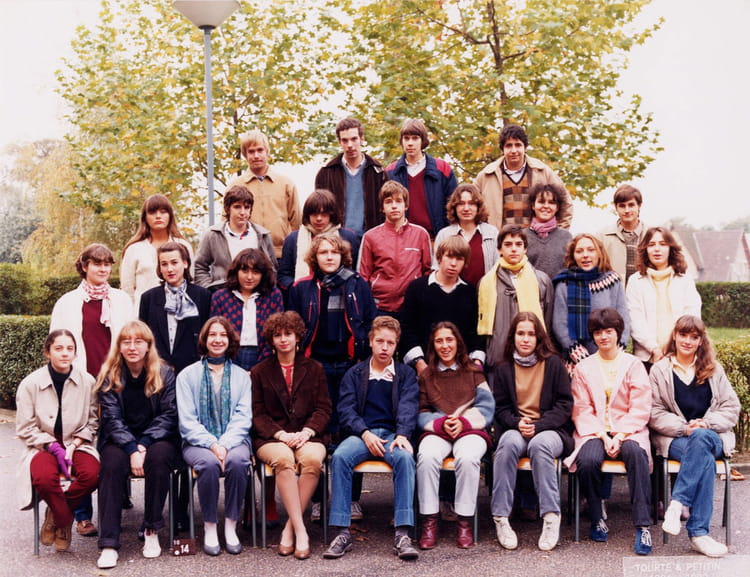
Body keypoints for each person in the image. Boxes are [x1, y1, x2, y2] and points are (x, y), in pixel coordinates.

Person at [289, 232, 376, 521]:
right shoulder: (302, 288)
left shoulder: (357, 284)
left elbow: (370, 321)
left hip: (351, 364)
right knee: (316, 430)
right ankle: (316, 500)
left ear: (343, 256)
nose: (329, 256)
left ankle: (351, 499)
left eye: (334, 252)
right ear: (315, 257)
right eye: (323, 252)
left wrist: (363, 351)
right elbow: (294, 326)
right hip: (315, 366)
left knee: (351, 430)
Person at [50, 243, 133, 536]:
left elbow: (132, 339)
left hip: (115, 382)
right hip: (80, 383)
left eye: (107, 263)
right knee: (81, 444)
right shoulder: (67, 302)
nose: (103, 269)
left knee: (114, 442)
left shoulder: (122, 300)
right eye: (97, 263)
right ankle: (82, 515)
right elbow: (57, 345)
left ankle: (117, 501)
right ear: (84, 266)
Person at [323, 316, 420, 561]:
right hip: (362, 434)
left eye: (390, 343)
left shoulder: (405, 374)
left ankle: (403, 532)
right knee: (341, 457)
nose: (384, 347)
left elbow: (409, 406)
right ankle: (342, 532)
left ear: (396, 345)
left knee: (405, 458)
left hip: (392, 435)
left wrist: (402, 434)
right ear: (370, 342)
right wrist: (364, 433)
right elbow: (346, 409)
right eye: (380, 341)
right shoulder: (355, 373)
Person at [563, 308, 653, 555]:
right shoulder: (583, 367)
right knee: (588, 460)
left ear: (618, 333)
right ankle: (596, 517)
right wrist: (603, 436)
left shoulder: (633, 365)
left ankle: (643, 525)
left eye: (609, 331)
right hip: (595, 432)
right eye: (598, 332)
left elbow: (640, 406)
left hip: (629, 431)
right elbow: (581, 408)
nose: (603, 337)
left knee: (636, 455)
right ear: (593, 335)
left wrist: (620, 436)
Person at [649, 315, 739, 558]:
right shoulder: (660, 370)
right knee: (704, 459)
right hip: (677, 439)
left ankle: (677, 502)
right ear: (675, 336)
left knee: (701, 439)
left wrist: (706, 423)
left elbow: (732, 407)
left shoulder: (713, 369)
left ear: (701, 341)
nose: (687, 341)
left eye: (694, 337)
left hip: (713, 435)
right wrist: (684, 428)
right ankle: (699, 534)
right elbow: (654, 412)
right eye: (683, 335)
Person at [94, 321, 179, 569]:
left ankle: (151, 529)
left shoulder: (165, 373)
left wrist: (143, 444)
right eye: (126, 341)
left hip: (155, 438)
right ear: (119, 347)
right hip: (118, 439)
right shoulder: (109, 375)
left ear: (148, 346)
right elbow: (111, 419)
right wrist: (131, 448)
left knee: (160, 459)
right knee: (111, 465)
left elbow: (169, 415)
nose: (132, 347)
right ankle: (109, 543)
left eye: (138, 341)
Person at [251, 311, 332, 560]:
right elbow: (257, 413)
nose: (283, 339)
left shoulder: (315, 369)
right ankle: (301, 531)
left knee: (313, 460)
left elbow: (324, 408)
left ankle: (289, 529)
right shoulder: (259, 371)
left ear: (298, 337)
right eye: (278, 335)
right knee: (283, 460)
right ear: (271, 340)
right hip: (271, 438)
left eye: (288, 334)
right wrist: (280, 434)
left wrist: (307, 431)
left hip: (309, 435)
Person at [491, 312, 573, 552]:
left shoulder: (554, 364)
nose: (525, 339)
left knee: (540, 445)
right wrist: (517, 423)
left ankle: (550, 517)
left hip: (550, 430)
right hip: (517, 428)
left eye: (531, 334)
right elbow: (500, 408)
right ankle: (501, 518)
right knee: (506, 444)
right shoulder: (504, 368)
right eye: (520, 334)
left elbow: (564, 405)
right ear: (513, 337)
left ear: (539, 338)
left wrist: (539, 426)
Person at [15, 330, 99, 553]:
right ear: (47, 352)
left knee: (92, 474)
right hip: (42, 445)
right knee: (43, 479)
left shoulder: (88, 381)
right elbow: (24, 427)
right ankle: (65, 521)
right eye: (58, 348)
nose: (64, 354)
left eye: (69, 349)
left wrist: (75, 444)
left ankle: (55, 515)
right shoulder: (30, 384)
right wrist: (51, 445)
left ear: (75, 353)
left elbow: (93, 422)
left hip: (78, 443)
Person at [176, 316, 253, 556]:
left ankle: (231, 525)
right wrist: (212, 444)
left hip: (235, 440)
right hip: (197, 442)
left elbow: (243, 417)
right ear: (204, 339)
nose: (217, 339)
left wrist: (225, 444)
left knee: (238, 461)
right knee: (208, 464)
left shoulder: (242, 376)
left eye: (223, 335)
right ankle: (210, 525)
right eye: (212, 335)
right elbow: (187, 421)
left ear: (230, 340)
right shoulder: (186, 376)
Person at [416, 322, 494, 550]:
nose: (445, 346)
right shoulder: (427, 375)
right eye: (439, 341)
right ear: (433, 345)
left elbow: (487, 407)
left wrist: (464, 422)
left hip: (470, 429)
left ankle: (464, 521)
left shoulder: (473, 371)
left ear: (458, 342)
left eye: (449, 340)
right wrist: (439, 423)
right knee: (427, 456)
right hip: (438, 429)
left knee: (468, 458)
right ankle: (429, 521)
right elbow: (420, 410)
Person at [401, 235, 484, 373]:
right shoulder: (417, 288)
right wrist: (419, 363)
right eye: (449, 257)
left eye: (459, 259)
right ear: (439, 257)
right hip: (424, 366)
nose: (453, 263)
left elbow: (475, 331)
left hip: (460, 368)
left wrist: (476, 362)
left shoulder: (469, 292)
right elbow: (407, 329)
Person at [478, 225, 553, 373]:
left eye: (518, 244)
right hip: (497, 358)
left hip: (533, 358)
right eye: (508, 244)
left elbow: (547, 319)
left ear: (525, 249)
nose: (513, 249)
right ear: (499, 249)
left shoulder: (542, 280)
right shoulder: (486, 283)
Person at [474, 124, 573, 230]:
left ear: (525, 148)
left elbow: (566, 203)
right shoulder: (486, 176)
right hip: (500, 238)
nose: (513, 150)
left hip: (537, 238)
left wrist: (557, 234)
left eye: (518, 145)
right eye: (508, 146)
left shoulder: (542, 172)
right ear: (502, 149)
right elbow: (471, 207)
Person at [552, 234, 630, 369]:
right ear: (573, 256)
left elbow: (624, 320)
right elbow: (559, 325)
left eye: (591, 250)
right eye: (579, 251)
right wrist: (582, 358)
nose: (585, 255)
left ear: (599, 253)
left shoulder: (612, 281)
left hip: (610, 359)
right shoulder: (564, 283)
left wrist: (614, 352)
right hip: (576, 362)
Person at [626, 227, 701, 367]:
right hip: (647, 358)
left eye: (662, 244)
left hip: (679, 356)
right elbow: (635, 320)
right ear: (645, 249)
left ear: (670, 248)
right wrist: (654, 349)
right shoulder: (635, 281)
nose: (657, 249)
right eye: (651, 245)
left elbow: (692, 315)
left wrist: (674, 347)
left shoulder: (685, 279)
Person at [358, 180, 432, 319]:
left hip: (412, 306)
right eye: (388, 202)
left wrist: (422, 298)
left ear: (406, 205)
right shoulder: (370, 237)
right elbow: (363, 276)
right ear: (382, 207)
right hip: (380, 307)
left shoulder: (420, 234)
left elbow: (428, 271)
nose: (394, 206)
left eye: (398, 201)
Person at [139, 242, 212, 375]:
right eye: (164, 264)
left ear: (185, 263)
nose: (170, 269)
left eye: (174, 263)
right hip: (157, 370)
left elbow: (206, 335)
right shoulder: (148, 298)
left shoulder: (203, 296)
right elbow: (144, 338)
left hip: (192, 370)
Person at [226, 129, 301, 258]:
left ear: (267, 151)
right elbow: (226, 222)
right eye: (251, 151)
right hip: (246, 256)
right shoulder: (235, 186)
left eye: (260, 150)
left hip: (281, 255)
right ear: (245, 155)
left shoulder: (286, 184)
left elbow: (297, 222)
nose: (256, 156)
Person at [210, 248, 284, 371]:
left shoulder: (273, 296)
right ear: (236, 271)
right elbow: (215, 333)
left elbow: (276, 332)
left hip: (264, 355)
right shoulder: (220, 297)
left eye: (255, 272)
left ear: (263, 274)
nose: (249, 277)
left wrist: (261, 366)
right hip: (229, 356)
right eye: (244, 271)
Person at [277, 189, 360, 297]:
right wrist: (298, 289)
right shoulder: (293, 239)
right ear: (307, 215)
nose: (319, 218)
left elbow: (354, 271)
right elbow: (283, 275)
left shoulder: (348, 237)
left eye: (324, 214)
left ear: (332, 215)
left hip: (340, 295)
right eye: (314, 214)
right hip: (302, 297)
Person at [314, 117, 388, 237]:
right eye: (345, 140)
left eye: (354, 139)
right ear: (339, 142)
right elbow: (319, 210)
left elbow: (385, 211)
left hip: (371, 238)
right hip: (336, 239)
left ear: (362, 139)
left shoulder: (378, 173)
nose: (350, 145)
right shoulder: (326, 174)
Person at [194, 185, 277, 291]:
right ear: (227, 209)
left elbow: (272, 268)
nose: (242, 212)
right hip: (223, 294)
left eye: (246, 207)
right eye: (237, 207)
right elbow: (199, 266)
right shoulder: (213, 234)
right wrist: (210, 291)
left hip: (256, 294)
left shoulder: (263, 235)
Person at [120, 194, 194, 310]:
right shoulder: (134, 249)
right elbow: (127, 290)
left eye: (163, 212)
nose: (158, 216)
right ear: (145, 217)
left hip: (178, 312)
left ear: (170, 215)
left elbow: (191, 281)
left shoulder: (183, 246)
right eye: (152, 212)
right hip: (143, 313)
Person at [385, 118, 458, 237]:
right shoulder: (391, 172)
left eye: (415, 138)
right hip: (402, 238)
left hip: (436, 238)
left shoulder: (442, 169)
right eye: (406, 138)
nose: (410, 143)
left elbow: (455, 206)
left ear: (423, 140)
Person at [432, 183, 499, 287]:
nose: (466, 208)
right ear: (454, 207)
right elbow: (436, 268)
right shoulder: (444, 235)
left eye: (471, 203)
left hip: (484, 292)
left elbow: (498, 269)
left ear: (478, 206)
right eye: (461, 204)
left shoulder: (492, 233)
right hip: (452, 293)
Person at [598, 184, 647, 283]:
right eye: (622, 206)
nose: (627, 210)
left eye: (631, 205)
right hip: (613, 290)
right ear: (616, 207)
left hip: (643, 291)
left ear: (639, 206)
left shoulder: (650, 235)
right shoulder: (602, 236)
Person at [525, 182, 573, 279]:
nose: (546, 206)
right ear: (533, 205)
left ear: (557, 207)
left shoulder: (566, 237)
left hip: (560, 288)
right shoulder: (522, 236)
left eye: (551, 202)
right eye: (541, 201)